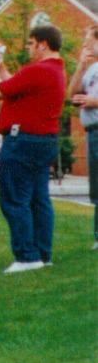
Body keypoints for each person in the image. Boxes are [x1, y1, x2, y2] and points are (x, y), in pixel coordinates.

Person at [0, 24, 66, 273]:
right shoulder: (54, 71)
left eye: (31, 43)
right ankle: (42, 253)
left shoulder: (38, 70)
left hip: (22, 141)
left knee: (14, 199)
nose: (28, 48)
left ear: (43, 44)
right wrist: (1, 67)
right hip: (44, 140)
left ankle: (27, 257)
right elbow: (14, 86)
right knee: (39, 199)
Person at [69, 26, 98, 250]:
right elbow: (71, 94)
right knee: (95, 186)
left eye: (89, 41)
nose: (85, 45)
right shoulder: (92, 69)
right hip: (91, 131)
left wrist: (93, 102)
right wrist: (80, 66)